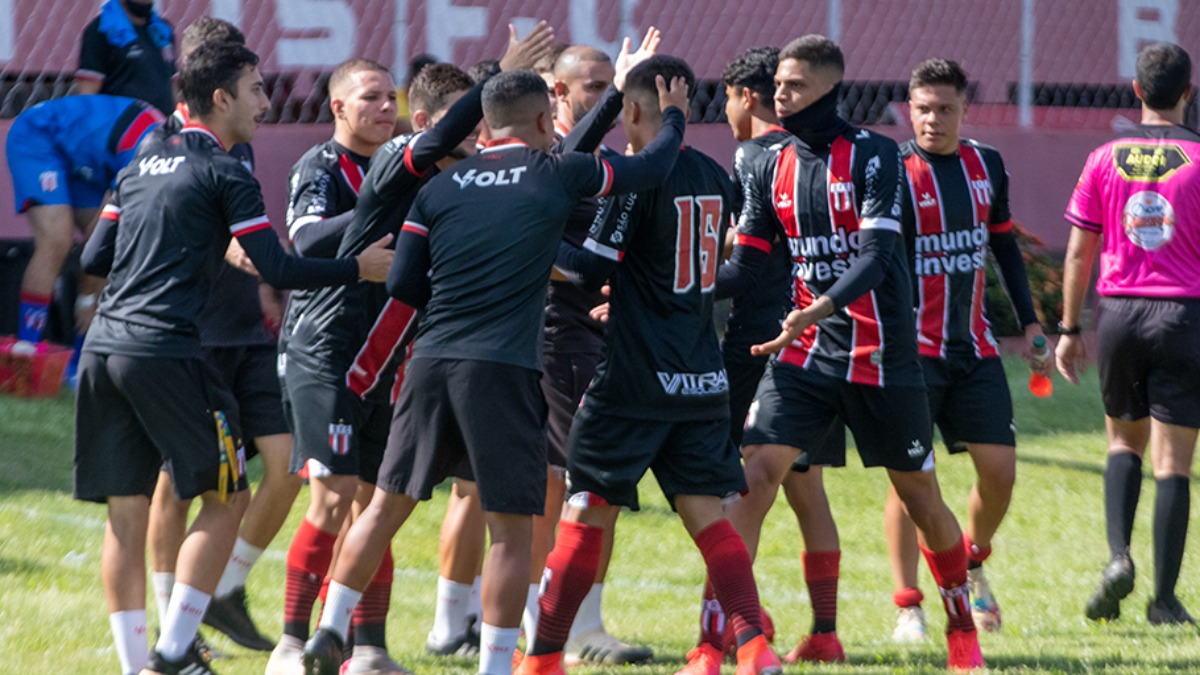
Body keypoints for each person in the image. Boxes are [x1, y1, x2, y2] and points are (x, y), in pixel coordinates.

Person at [301, 56, 686, 675]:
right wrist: (672, 115)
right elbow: (652, 168)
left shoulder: (437, 187)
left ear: (484, 126)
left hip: (429, 363)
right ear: (543, 119)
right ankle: (497, 666)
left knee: (384, 507)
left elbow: (404, 285)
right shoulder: (556, 172)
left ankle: (329, 626)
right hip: (503, 367)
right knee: (510, 529)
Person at [75, 40, 392, 675]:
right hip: (167, 351)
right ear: (220, 98)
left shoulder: (139, 164)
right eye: (254, 89)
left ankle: (139, 665)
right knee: (225, 497)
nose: (265, 102)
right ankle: (174, 652)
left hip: (102, 349)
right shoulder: (226, 171)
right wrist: (356, 265)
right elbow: (276, 266)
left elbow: (92, 260)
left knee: (125, 512)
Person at [271, 25, 556, 675]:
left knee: (380, 495)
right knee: (338, 495)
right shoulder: (401, 161)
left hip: (397, 352)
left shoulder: (451, 180)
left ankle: (361, 642)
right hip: (335, 345)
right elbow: (312, 243)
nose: (475, 132)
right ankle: (296, 638)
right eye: (370, 95)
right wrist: (495, 78)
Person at [703, 35, 983, 671]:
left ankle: (961, 626)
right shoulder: (762, 163)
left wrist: (818, 306)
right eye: (778, 85)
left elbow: (877, 258)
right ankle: (720, 639)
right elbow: (746, 265)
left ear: (830, 90)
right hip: (802, 356)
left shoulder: (875, 156)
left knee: (920, 498)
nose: (781, 95)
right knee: (751, 480)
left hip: (882, 357)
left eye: (795, 86)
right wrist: (674, 291)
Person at [516, 54, 781, 675]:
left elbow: (587, 270)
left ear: (631, 110)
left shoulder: (633, 178)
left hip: (633, 379)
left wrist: (526, 237)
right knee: (709, 519)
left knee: (585, 510)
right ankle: (755, 650)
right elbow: (695, 269)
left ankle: (544, 658)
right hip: (701, 375)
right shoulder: (717, 174)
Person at [138, 16, 297, 657]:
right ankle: (171, 626)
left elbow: (244, 230)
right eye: (246, 83)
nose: (260, 98)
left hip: (245, 328)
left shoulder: (239, 137)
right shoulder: (166, 141)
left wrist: (263, 285)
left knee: (287, 466)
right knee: (179, 485)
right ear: (208, 82)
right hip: (191, 336)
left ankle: (223, 591)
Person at [884, 57, 1047, 641]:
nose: (932, 119)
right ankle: (909, 604)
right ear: (909, 108)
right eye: (922, 108)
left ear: (964, 110)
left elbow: (1003, 247)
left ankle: (971, 563)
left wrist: (1030, 324)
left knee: (999, 472)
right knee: (910, 482)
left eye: (944, 109)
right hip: (910, 354)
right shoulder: (894, 171)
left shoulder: (987, 165)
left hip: (973, 349)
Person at [1059, 41, 1200, 626]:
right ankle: (1164, 601)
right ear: (1189, 94)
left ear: (1137, 91)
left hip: (1118, 314)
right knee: (1174, 464)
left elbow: (1077, 250)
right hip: (1184, 316)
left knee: (1122, 443)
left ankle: (1118, 558)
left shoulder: (1102, 158)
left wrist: (1069, 327)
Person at [4, 95, 162, 346]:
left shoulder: (164, 153)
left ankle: (81, 362)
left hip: (87, 157)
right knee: (57, 242)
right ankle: (27, 349)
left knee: (118, 246)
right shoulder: (148, 154)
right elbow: (101, 231)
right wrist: (86, 297)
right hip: (40, 135)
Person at [77, 0, 176, 115]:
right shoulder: (102, 31)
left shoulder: (162, 31)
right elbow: (87, 96)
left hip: (162, 125)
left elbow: (173, 85)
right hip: (123, 126)